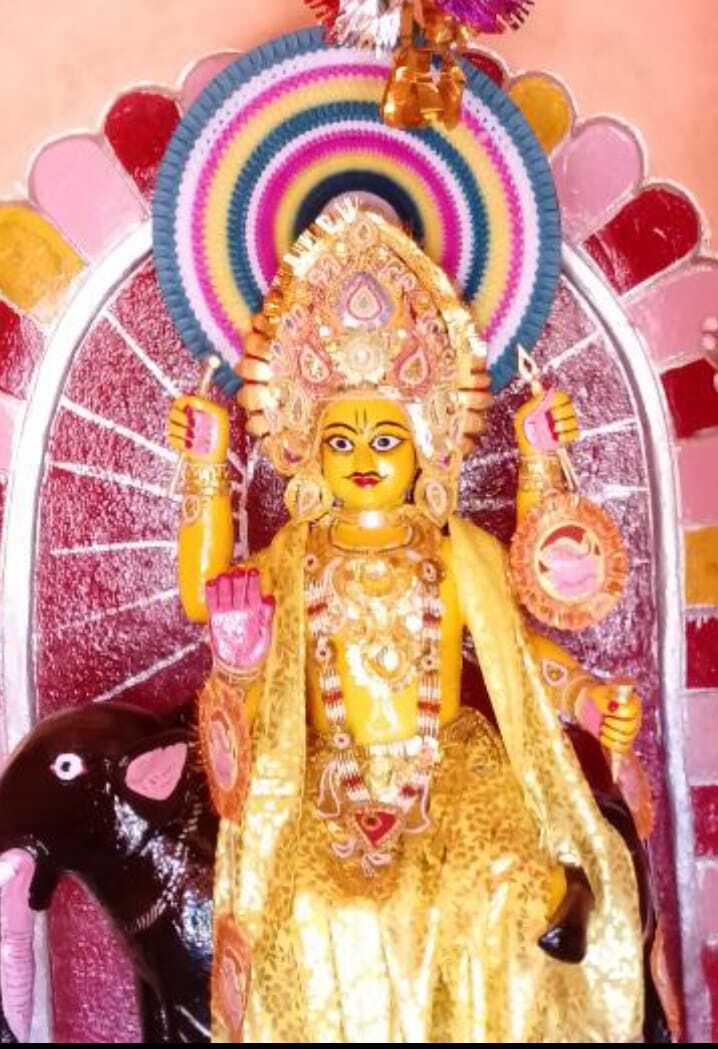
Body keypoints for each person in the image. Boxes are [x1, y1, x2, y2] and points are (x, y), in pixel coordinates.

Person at [166, 200, 644, 1042]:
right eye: (341, 441)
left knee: (506, 885)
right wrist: (205, 467)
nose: (362, 458)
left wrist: (585, 698)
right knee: (314, 914)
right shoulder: (295, 554)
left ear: (426, 447)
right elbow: (211, 596)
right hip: (331, 784)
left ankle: (535, 954)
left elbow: (518, 652)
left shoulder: (454, 548)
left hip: (447, 771)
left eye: (384, 439)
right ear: (307, 451)